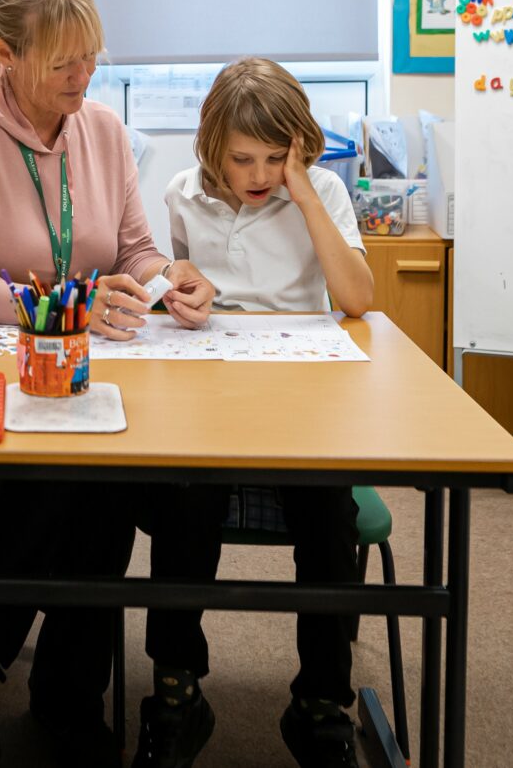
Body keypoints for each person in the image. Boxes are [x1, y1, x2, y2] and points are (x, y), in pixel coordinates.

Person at [0, 0, 215, 766]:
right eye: (63, 61)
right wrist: (55, 303)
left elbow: (131, 248)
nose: (83, 75)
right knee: (70, 467)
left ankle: (51, 684)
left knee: (107, 465)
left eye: (91, 56)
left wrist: (172, 276)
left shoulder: (99, 127)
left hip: (74, 351)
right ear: (4, 52)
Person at [133, 57, 374, 768]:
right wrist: (177, 287)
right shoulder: (182, 194)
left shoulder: (321, 189)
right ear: (212, 148)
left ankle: (321, 702)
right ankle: (176, 687)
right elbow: (159, 284)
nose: (259, 171)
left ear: (299, 147)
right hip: (209, 394)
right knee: (183, 504)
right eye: (243, 158)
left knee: (328, 518)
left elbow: (359, 299)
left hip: (304, 403)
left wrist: (305, 195)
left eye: (276, 156)